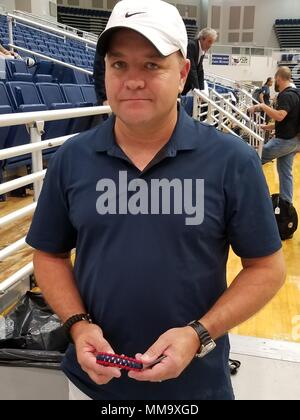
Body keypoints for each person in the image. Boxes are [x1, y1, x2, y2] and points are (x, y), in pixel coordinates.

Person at [26, 0, 285, 401]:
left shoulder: (232, 161)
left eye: (151, 65)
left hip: (196, 387)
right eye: (119, 65)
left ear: (182, 74)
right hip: (96, 383)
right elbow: (49, 255)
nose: (132, 80)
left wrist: (198, 334)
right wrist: (78, 325)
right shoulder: (72, 159)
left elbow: (266, 269)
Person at [249, 66, 300, 204]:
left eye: (275, 80)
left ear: (278, 78)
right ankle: (286, 205)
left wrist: (262, 106)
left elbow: (280, 116)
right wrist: (268, 127)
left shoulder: (287, 95)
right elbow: (289, 120)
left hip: (286, 141)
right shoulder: (296, 93)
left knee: (253, 158)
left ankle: (251, 196)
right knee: (285, 172)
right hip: (294, 141)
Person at [182, 27, 217, 95]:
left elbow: (200, 70)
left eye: (212, 43)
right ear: (202, 38)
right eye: (209, 41)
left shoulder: (202, 49)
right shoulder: (191, 45)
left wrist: (202, 89)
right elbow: (192, 69)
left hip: (188, 85)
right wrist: (197, 90)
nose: (210, 45)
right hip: (182, 83)